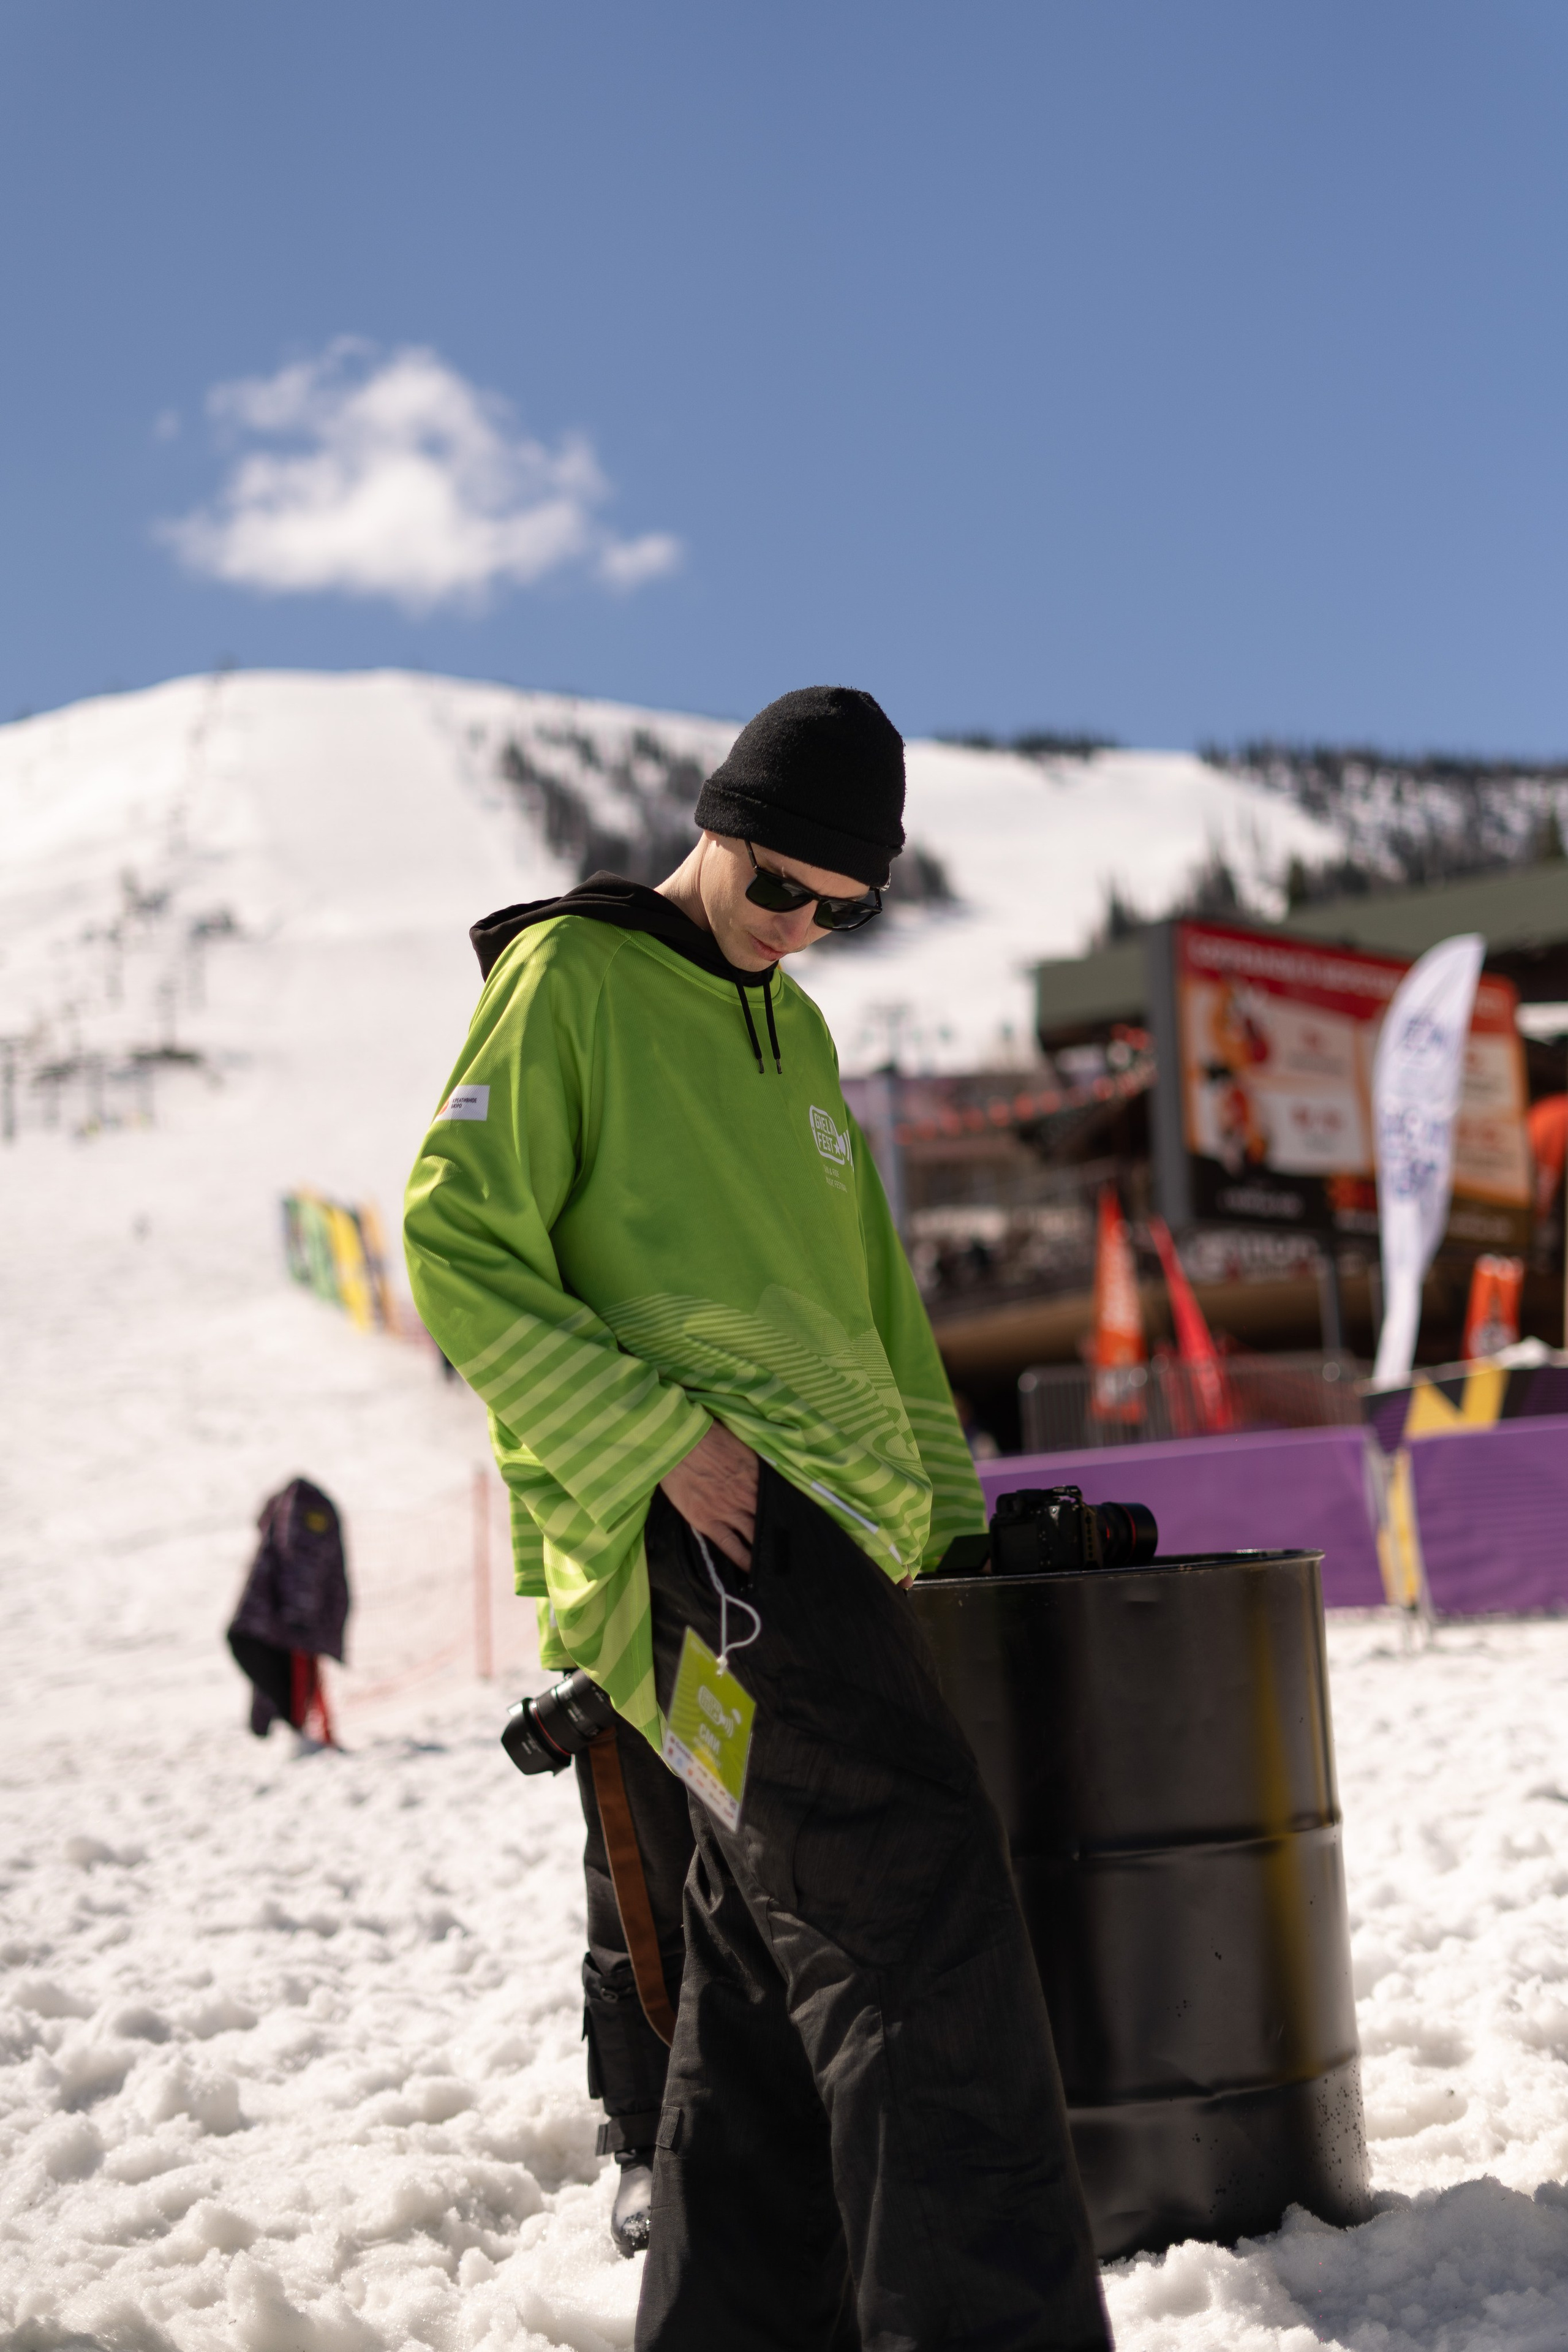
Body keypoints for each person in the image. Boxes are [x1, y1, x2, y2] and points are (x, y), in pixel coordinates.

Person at [405, 686, 1110, 2351]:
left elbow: (871, 1316)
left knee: (776, 1981)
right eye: (775, 887)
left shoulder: (800, 1036)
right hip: (712, 1539)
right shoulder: (568, 982)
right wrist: (660, 1443)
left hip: (833, 1544)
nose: (796, 933)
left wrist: (942, 1521)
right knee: (922, 1928)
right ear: (712, 826)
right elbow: (457, 1245)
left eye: (837, 911)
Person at [226, 1476, 347, 1745]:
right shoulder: (287, 1509)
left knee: (247, 1643)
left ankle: (292, 1731)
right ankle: (278, 1732)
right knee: (261, 1650)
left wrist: (299, 1613)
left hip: (295, 1618)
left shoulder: (302, 1505)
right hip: (280, 1618)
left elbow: (305, 1561)